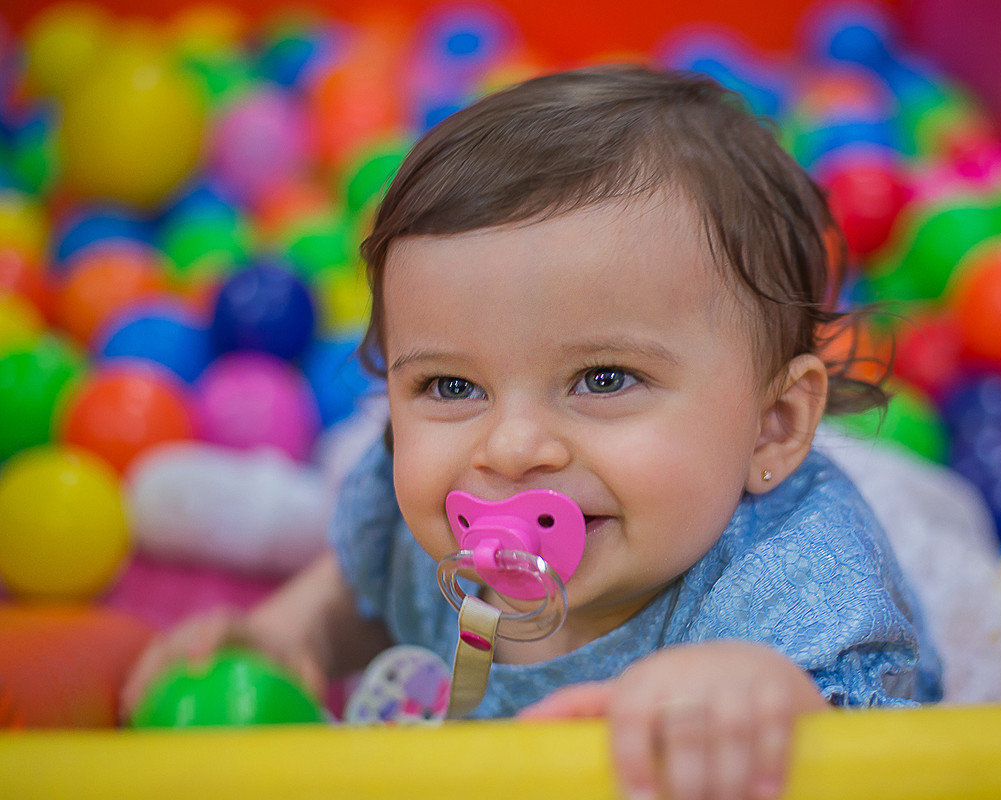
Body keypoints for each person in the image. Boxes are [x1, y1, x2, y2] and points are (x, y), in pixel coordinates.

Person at [122, 65, 941, 800]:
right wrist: (291, 632)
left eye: (603, 379)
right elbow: (371, 591)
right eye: (451, 387)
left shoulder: (795, 582)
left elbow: (867, 744)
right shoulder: (437, 528)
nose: (510, 450)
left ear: (772, 426)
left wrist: (756, 694)